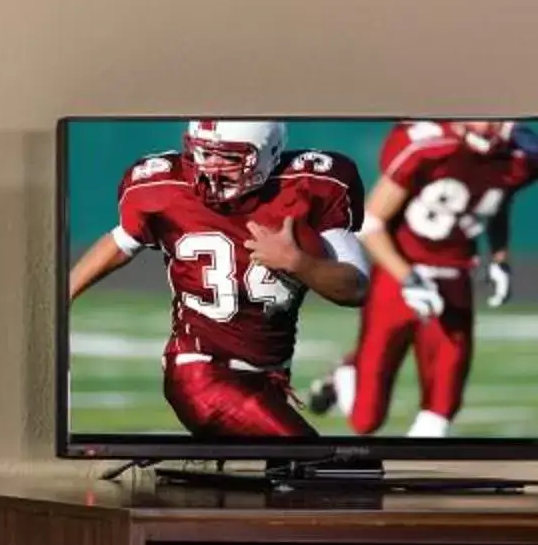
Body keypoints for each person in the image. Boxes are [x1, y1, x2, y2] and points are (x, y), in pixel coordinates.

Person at [66, 120, 370, 439]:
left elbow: (356, 287)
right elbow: (123, 241)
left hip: (269, 377)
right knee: (311, 457)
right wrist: (63, 295)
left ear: (269, 155)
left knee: (302, 472)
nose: (209, 168)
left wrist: (296, 262)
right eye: (202, 153)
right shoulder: (163, 186)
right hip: (201, 373)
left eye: (228, 158)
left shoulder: (310, 185)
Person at [308, 120, 537, 438]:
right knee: (366, 421)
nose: (498, 125)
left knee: (441, 411)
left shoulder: (519, 156)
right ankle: (348, 372)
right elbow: (371, 223)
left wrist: (499, 257)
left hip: (455, 276)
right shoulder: (427, 146)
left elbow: (497, 198)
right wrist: (409, 278)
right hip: (398, 274)